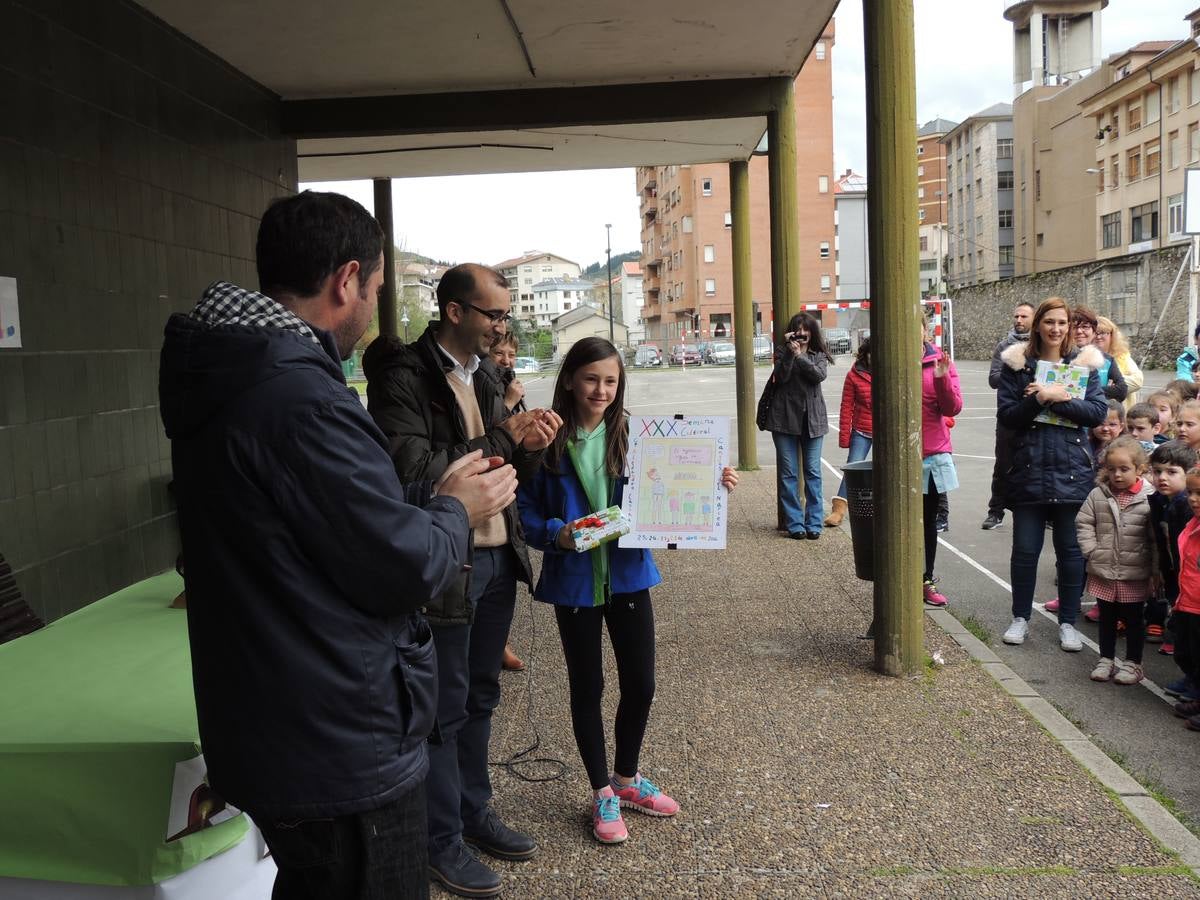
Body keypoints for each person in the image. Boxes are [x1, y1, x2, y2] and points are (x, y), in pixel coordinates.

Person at [158, 191, 519, 900]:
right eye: (378, 289)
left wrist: (425, 501)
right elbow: (397, 565)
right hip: (338, 741)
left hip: (277, 721)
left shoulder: (232, 373)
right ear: (346, 279)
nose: (373, 309)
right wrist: (453, 509)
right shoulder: (298, 396)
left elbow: (319, 525)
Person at [363, 264, 562, 899]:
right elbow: (411, 473)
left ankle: (473, 814)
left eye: (506, 315)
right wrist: (505, 431)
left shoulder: (493, 376)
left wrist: (529, 445)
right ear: (455, 312)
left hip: (497, 562)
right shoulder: (405, 378)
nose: (504, 326)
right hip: (445, 566)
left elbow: (504, 475)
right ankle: (438, 841)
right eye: (494, 315)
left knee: (480, 698)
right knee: (442, 712)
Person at [516, 337, 738, 844]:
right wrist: (557, 533)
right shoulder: (544, 438)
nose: (601, 390)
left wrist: (709, 482)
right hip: (574, 583)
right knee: (587, 687)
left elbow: (672, 489)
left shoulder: (640, 435)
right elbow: (521, 511)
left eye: (611, 381)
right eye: (591, 378)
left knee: (642, 684)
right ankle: (601, 792)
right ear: (569, 378)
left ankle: (628, 778)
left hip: (630, 575)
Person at [997, 296, 1107, 651]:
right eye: (1049, 322)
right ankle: (1020, 617)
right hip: (1028, 467)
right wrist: (1038, 399)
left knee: (1071, 553)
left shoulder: (1085, 364)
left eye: (1062, 323)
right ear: (1037, 325)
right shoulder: (1017, 366)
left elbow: (1096, 413)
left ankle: (1068, 623)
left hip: (1072, 470)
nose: (1056, 329)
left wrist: (1059, 397)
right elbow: (1008, 416)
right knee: (1025, 551)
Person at [1076, 436, 1155, 686]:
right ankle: (1106, 658)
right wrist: (1092, 550)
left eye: (1124, 469)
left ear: (1140, 469)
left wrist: (1153, 566)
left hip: (1135, 572)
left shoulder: (1149, 497)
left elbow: (1155, 536)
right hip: (1104, 569)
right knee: (1106, 618)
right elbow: (1084, 522)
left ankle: (1133, 663)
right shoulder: (1098, 494)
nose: (1117, 475)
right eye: (1112, 469)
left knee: (1134, 619)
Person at [760, 313, 832, 539]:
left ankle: (814, 523)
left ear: (812, 332)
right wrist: (791, 355)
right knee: (788, 474)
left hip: (812, 421)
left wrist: (800, 356)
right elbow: (780, 377)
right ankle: (795, 524)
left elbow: (818, 375)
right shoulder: (782, 352)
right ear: (791, 333)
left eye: (806, 330)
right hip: (784, 420)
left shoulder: (818, 353)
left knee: (813, 472)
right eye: (797, 331)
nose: (802, 335)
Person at [489, 334, 528, 674]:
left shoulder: (506, 382)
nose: (506, 359)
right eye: (498, 352)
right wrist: (508, 401)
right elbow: (490, 433)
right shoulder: (485, 385)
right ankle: (497, 642)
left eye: (511, 353)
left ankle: (499, 638)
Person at [919, 331, 963, 607]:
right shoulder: (888, 358)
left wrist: (942, 378)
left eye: (918, 328)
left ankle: (926, 578)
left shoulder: (938, 361)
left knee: (928, 521)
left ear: (924, 331)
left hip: (931, 454)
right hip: (899, 453)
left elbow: (953, 406)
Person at [983, 302, 1034, 530]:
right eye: (1016, 316)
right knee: (1003, 464)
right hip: (1009, 415)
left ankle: (1041, 512)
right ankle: (996, 511)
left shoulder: (1042, 347)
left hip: (1035, 415)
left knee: (1036, 463)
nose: (1019, 320)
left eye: (1024, 316)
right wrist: (1015, 373)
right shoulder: (1004, 346)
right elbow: (994, 379)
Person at [1149, 441, 1197, 666]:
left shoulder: (1188, 505)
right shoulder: (1159, 500)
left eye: (1171, 472)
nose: (1162, 477)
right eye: (1157, 471)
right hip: (1172, 567)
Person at [825, 337, 872, 528]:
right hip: (862, 430)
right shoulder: (854, 375)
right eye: (871, 354)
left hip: (887, 431)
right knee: (852, 469)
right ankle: (838, 509)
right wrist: (845, 436)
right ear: (865, 354)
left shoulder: (891, 370)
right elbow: (847, 406)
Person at [1166, 467, 1200, 730]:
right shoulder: (1191, 525)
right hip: (1187, 602)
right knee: (1186, 654)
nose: (1193, 499)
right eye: (1191, 492)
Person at [1071, 306, 1128, 404]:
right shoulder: (1060, 356)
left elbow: (1121, 391)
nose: (1079, 331)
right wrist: (1106, 390)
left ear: (1093, 332)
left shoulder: (1107, 360)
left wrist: (1083, 391)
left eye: (1085, 326)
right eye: (1074, 327)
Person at [1095, 316, 1143, 409]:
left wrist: (1114, 380)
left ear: (1112, 335)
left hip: (1121, 412)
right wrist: (1111, 386)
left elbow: (1138, 381)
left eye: (1103, 333)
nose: (1098, 336)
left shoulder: (1122, 356)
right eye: (1095, 333)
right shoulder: (1086, 356)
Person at [490, 332, 526, 414]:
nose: (506, 361)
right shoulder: (483, 385)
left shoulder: (508, 380)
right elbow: (490, 424)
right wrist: (510, 402)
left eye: (511, 355)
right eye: (499, 353)